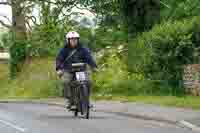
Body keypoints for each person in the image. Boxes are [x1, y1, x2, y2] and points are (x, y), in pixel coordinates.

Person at [55, 31, 97, 109]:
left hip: (81, 70)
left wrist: (94, 66)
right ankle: (70, 100)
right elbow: (59, 60)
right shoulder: (64, 50)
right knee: (65, 82)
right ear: (68, 40)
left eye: (75, 39)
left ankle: (86, 101)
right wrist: (59, 69)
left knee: (88, 82)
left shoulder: (83, 49)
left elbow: (89, 58)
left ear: (78, 40)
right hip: (68, 70)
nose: (74, 41)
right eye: (71, 39)